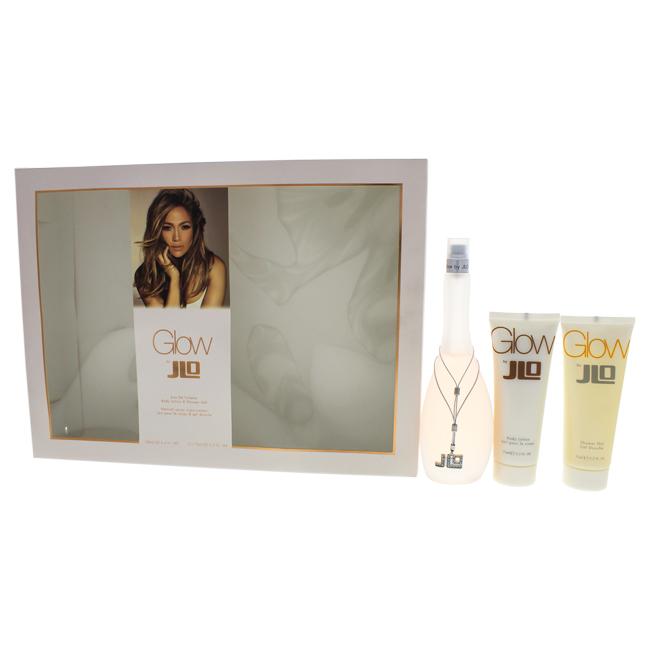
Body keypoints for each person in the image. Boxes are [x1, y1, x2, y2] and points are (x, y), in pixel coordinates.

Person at [134, 189, 226, 308]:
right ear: (157, 231)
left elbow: (208, 321)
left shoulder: (213, 268)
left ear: (195, 229)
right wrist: (174, 277)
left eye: (185, 227)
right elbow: (167, 320)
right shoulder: (145, 275)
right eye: (167, 228)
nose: (176, 238)